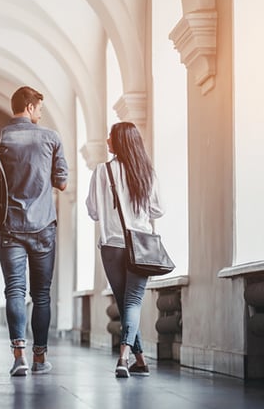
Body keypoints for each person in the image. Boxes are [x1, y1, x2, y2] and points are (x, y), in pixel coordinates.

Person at [0, 86, 68, 376]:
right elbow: (62, 182)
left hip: (9, 226)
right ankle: (40, 358)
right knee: (41, 295)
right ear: (29, 107)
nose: (41, 113)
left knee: (14, 291)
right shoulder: (51, 138)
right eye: (39, 108)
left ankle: (19, 356)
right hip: (43, 227)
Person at [86, 121, 164, 378]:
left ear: (120, 141)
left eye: (110, 136)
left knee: (125, 303)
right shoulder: (147, 172)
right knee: (130, 303)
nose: (107, 140)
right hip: (141, 245)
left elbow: (94, 212)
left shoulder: (102, 171)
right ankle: (136, 358)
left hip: (112, 246)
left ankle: (126, 358)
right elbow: (158, 210)